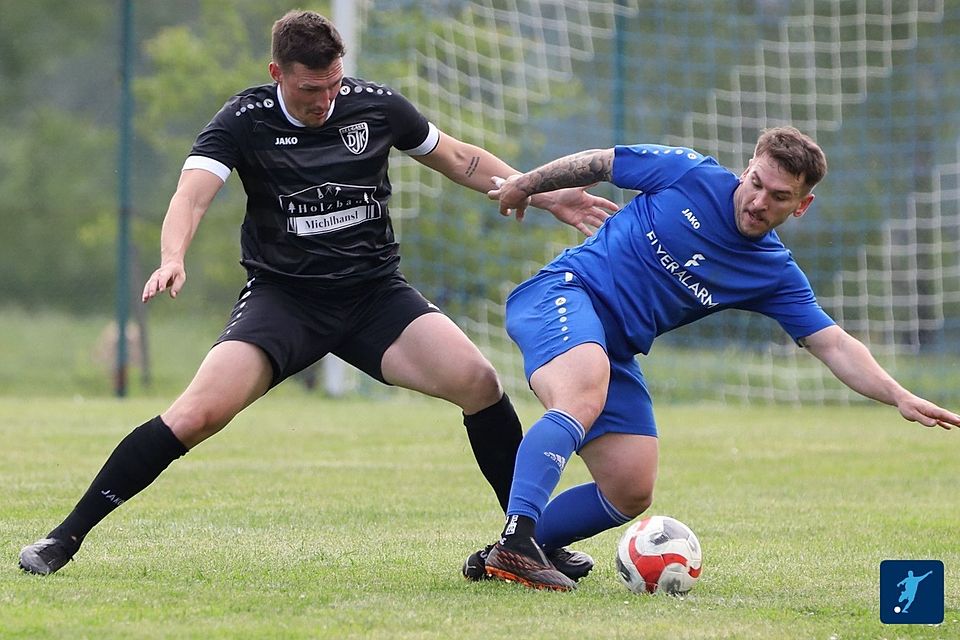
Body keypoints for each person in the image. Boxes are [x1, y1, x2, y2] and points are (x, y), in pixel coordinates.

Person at [18, 10, 617, 576]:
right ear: (278, 73)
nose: (325, 100)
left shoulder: (375, 106)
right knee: (195, 415)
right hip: (285, 302)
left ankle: (526, 541)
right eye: (311, 90)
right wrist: (172, 256)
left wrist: (542, 190)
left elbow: (462, 160)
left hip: (375, 297)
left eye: (332, 85)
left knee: (481, 385)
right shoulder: (244, 119)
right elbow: (192, 193)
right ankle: (64, 536)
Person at [462, 126, 960, 591]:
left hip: (616, 347)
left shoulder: (772, 272)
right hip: (563, 294)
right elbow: (600, 162)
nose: (760, 201)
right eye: (757, 183)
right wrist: (526, 184)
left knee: (630, 486)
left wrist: (899, 395)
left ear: (803, 206)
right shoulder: (688, 172)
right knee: (581, 391)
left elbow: (832, 343)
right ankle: (517, 541)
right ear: (748, 168)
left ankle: (530, 546)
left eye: (780, 197)